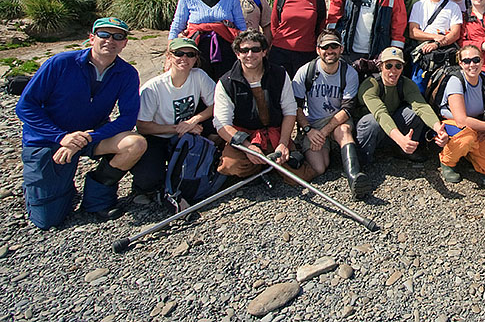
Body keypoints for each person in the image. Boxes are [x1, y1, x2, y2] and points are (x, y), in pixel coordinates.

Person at [17, 17, 146, 229]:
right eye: (104, 34)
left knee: (135, 144)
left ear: (125, 43)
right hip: (47, 139)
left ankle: (96, 198)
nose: (110, 40)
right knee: (48, 220)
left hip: (90, 135)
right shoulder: (59, 64)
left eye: (118, 36)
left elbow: (128, 118)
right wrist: (62, 137)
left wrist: (87, 137)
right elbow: (25, 107)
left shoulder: (127, 73)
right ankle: (56, 189)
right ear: (91, 38)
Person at [132, 38, 216, 197]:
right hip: (156, 136)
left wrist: (194, 120)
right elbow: (142, 126)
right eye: (179, 54)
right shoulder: (153, 88)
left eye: (190, 54)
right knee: (148, 180)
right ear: (169, 56)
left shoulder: (198, 75)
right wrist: (178, 128)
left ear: (195, 59)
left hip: (185, 135)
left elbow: (216, 104)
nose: (184, 58)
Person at [291, 31, 369, 199]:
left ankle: (354, 177)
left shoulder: (349, 73)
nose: (330, 50)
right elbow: (295, 107)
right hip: (312, 123)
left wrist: (324, 132)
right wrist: (308, 130)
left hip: (337, 120)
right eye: (325, 47)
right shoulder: (306, 71)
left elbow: (347, 109)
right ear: (318, 50)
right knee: (320, 167)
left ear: (341, 49)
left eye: (334, 46)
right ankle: (331, 151)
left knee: (344, 131)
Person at [213, 30, 298, 178]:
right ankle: (261, 167)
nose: (250, 54)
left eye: (255, 49)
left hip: (273, 133)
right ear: (237, 54)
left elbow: (290, 111)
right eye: (244, 50)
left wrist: (283, 143)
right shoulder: (226, 83)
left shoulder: (279, 75)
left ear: (264, 52)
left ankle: (264, 166)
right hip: (244, 136)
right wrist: (248, 147)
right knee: (232, 165)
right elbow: (222, 124)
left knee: (296, 169)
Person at [356, 47, 449, 167]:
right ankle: (362, 158)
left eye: (398, 66)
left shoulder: (406, 83)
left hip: (392, 127)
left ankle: (404, 150)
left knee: (414, 112)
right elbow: (380, 113)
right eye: (388, 66)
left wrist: (439, 130)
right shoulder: (370, 85)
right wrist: (400, 139)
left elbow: (422, 107)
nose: (393, 71)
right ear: (380, 67)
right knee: (372, 121)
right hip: (373, 128)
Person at [438, 45, 485, 187]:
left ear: (482, 61)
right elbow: (461, 120)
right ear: (460, 64)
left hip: (475, 125)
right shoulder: (455, 82)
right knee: (466, 138)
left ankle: (468, 153)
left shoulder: (484, 80)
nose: (472, 65)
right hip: (453, 124)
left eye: (476, 60)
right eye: (466, 61)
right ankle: (447, 162)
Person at [169, 0, 247, 80]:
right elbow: (176, 26)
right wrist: (170, 54)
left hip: (226, 50)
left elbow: (241, 26)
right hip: (196, 51)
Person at [269, 0, 327, 78]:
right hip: (280, 51)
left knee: (302, 90)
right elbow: (274, 24)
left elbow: (321, 27)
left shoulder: (318, 1)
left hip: (306, 52)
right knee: (278, 88)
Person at [408, 0, 463, 89]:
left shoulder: (453, 7)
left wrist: (436, 44)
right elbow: (413, 32)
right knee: (418, 88)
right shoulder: (419, 5)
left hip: (444, 54)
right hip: (422, 54)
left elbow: (455, 33)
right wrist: (434, 37)